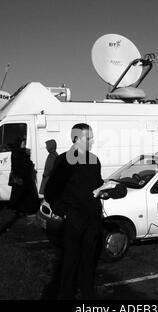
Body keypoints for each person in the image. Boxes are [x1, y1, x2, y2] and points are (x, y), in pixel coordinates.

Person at [44, 123, 125, 299]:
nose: (93, 141)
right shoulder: (64, 161)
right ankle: (67, 294)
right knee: (70, 262)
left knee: (89, 261)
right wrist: (66, 213)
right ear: (76, 139)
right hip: (74, 222)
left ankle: (88, 294)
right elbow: (51, 192)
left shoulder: (94, 160)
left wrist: (104, 191)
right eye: (89, 138)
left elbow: (95, 185)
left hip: (93, 221)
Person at [8, 137, 40, 215]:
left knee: (23, 196)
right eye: (23, 143)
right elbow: (18, 166)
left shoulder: (21, 152)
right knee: (22, 195)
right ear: (18, 144)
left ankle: (24, 210)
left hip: (24, 178)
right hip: (21, 178)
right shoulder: (17, 153)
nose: (24, 145)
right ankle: (24, 210)